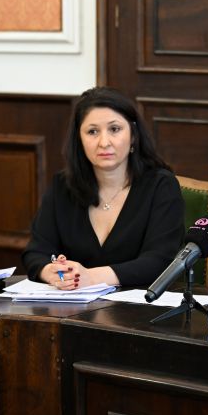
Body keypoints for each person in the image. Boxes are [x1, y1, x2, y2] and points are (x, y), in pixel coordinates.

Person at [22, 87, 185, 289]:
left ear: (133, 135)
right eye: (92, 132)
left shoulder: (161, 186)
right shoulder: (62, 186)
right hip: (72, 305)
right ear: (79, 140)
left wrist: (91, 277)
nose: (104, 142)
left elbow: (160, 261)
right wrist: (52, 272)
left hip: (139, 306)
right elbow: (36, 252)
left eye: (114, 129)